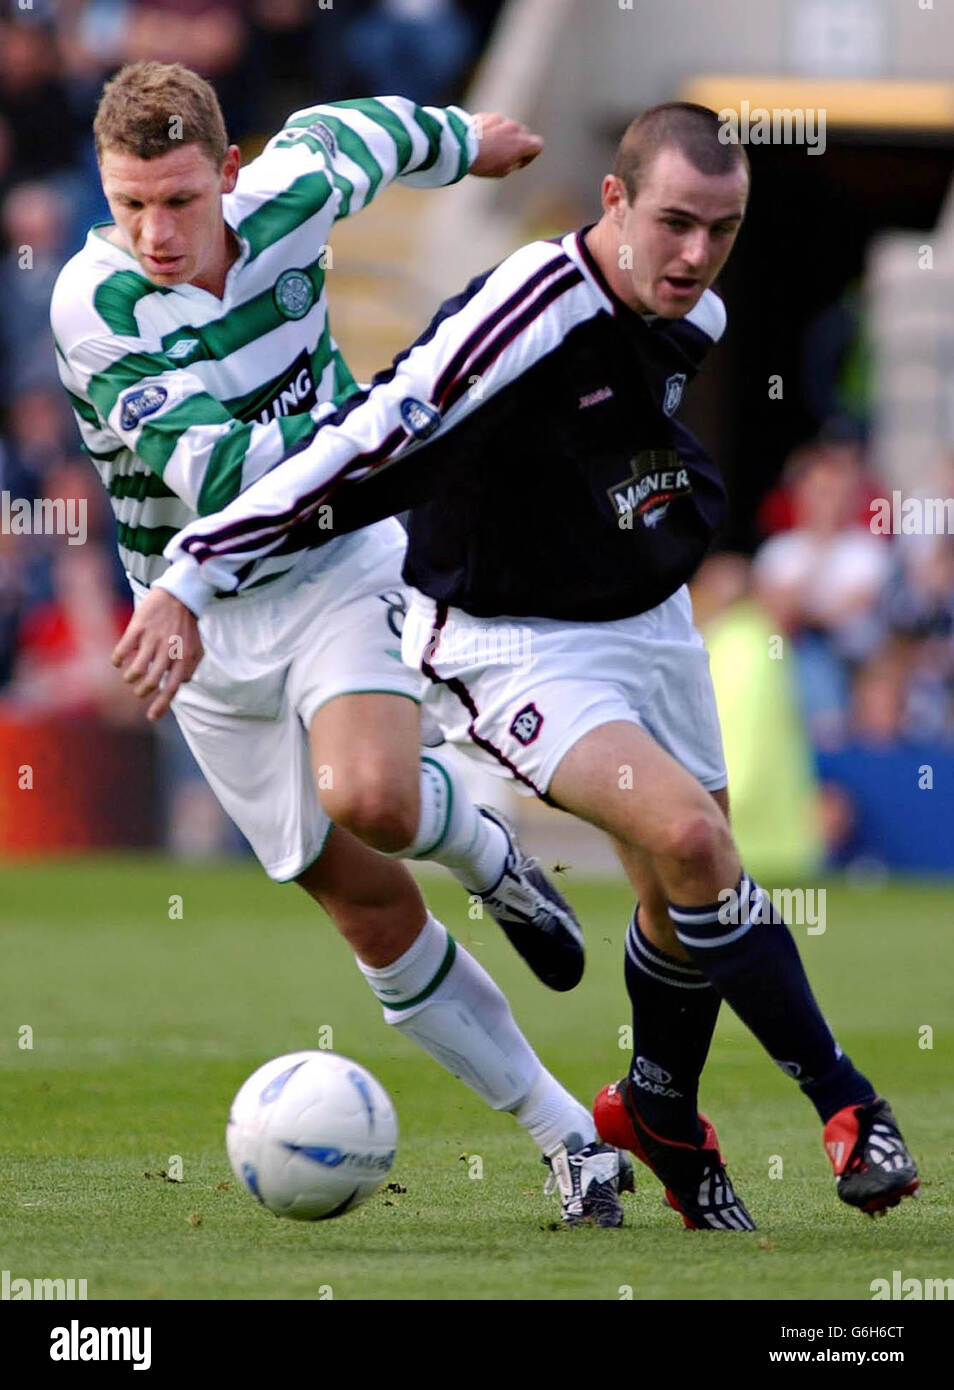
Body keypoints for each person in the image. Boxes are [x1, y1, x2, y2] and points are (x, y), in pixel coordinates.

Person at [147, 102, 920, 1231]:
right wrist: (195, 571)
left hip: (645, 620)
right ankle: (848, 1104)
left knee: (679, 890)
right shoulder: (530, 306)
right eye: (674, 222)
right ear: (612, 202)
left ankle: (657, 1107)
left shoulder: (690, 306)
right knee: (697, 843)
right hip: (508, 644)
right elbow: (372, 435)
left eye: (723, 227)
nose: (698, 253)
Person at [51, 61, 631, 1228]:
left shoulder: (290, 184)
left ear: (229, 173)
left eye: (177, 199)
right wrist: (394, 424)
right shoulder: (96, 309)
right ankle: (572, 1136)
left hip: (334, 559)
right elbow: (230, 481)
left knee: (369, 791)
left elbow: (363, 129)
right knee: (363, 907)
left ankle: (482, 850)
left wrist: (470, 137)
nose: (156, 233)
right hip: (199, 614)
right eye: (128, 204)